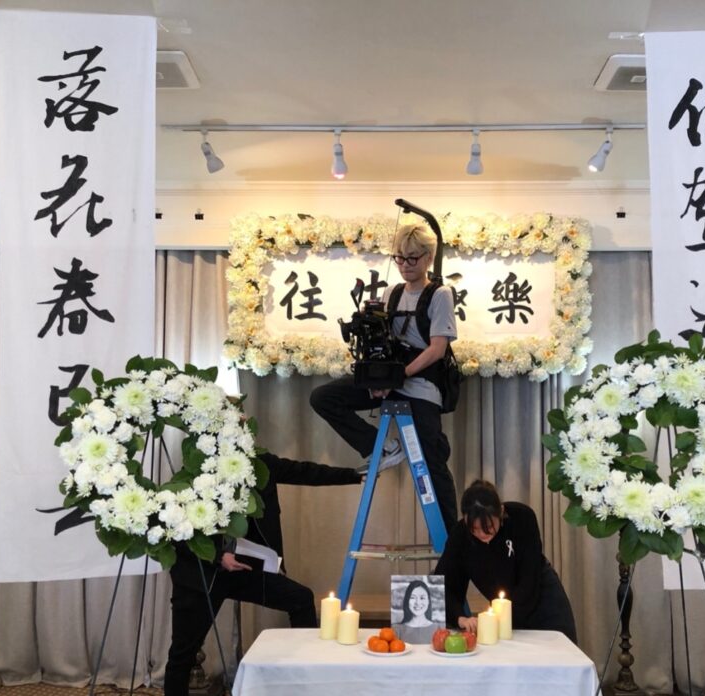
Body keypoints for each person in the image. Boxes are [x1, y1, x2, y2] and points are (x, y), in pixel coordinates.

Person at [164, 451, 362, 696]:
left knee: (300, 599)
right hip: (202, 573)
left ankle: (307, 682)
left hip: (246, 567)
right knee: (183, 653)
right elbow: (175, 531)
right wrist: (217, 555)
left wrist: (356, 474)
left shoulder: (261, 463)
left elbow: (305, 472)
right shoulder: (195, 468)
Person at [310, 222, 458, 529]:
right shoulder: (392, 293)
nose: (404, 266)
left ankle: (451, 540)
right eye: (399, 258)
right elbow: (383, 341)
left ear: (428, 258)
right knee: (324, 397)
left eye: (412, 259)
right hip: (391, 379)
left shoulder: (440, 294)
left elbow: (437, 349)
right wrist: (378, 380)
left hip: (420, 384)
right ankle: (382, 446)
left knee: (433, 460)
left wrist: (399, 376)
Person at [434, 480, 578, 643]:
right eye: (474, 529)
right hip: (502, 612)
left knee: (560, 651)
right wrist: (460, 617)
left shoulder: (522, 518)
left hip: (541, 597)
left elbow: (529, 575)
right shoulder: (460, 536)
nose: (482, 534)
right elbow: (444, 583)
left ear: (501, 512)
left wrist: (503, 617)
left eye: (488, 526)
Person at [395, 579, 436, 644]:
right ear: (407, 600)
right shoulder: (397, 629)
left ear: (428, 601)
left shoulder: (438, 629)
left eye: (422, 598)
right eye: (413, 598)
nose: (417, 602)